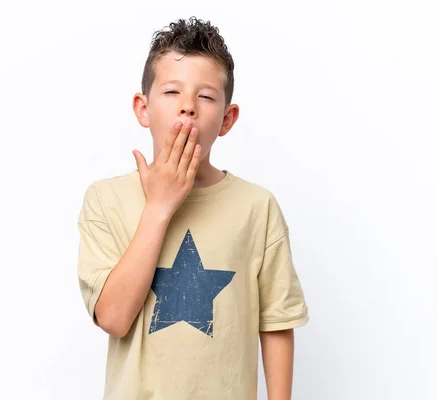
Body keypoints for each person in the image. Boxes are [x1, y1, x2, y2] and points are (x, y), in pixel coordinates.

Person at [77, 16, 309, 400]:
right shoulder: (105, 200)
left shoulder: (257, 207)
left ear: (227, 119)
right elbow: (114, 318)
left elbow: (277, 321)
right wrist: (160, 206)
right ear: (143, 108)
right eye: (171, 92)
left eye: (205, 96)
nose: (188, 108)